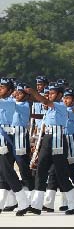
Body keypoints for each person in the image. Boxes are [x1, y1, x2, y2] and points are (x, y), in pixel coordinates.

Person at [24, 83, 74, 215]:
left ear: (60, 95)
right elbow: (43, 104)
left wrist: (33, 92)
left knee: (61, 174)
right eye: (49, 93)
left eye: (53, 93)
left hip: (58, 141)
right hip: (48, 139)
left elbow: (44, 100)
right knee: (41, 170)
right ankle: (36, 205)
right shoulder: (49, 108)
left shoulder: (60, 106)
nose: (49, 95)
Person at [0, 78, 31, 216]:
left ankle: (23, 201)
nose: (0, 88)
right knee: (2, 172)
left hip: (5, 138)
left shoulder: (11, 103)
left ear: (11, 91)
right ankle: (3, 201)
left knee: (7, 171)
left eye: (3, 87)